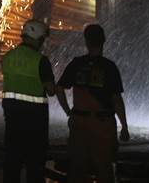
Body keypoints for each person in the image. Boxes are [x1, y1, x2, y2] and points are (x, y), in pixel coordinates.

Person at [56, 24, 130, 183]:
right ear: (103, 41)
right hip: (103, 125)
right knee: (104, 170)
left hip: (79, 124)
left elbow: (59, 89)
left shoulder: (76, 64)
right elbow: (116, 99)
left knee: (77, 170)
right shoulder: (109, 67)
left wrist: (69, 112)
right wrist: (124, 126)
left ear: (86, 41)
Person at [2, 19, 55, 183]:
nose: (43, 43)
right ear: (38, 38)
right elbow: (51, 91)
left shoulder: (8, 57)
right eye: (42, 40)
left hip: (12, 124)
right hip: (35, 127)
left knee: (12, 170)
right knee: (35, 172)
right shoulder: (41, 60)